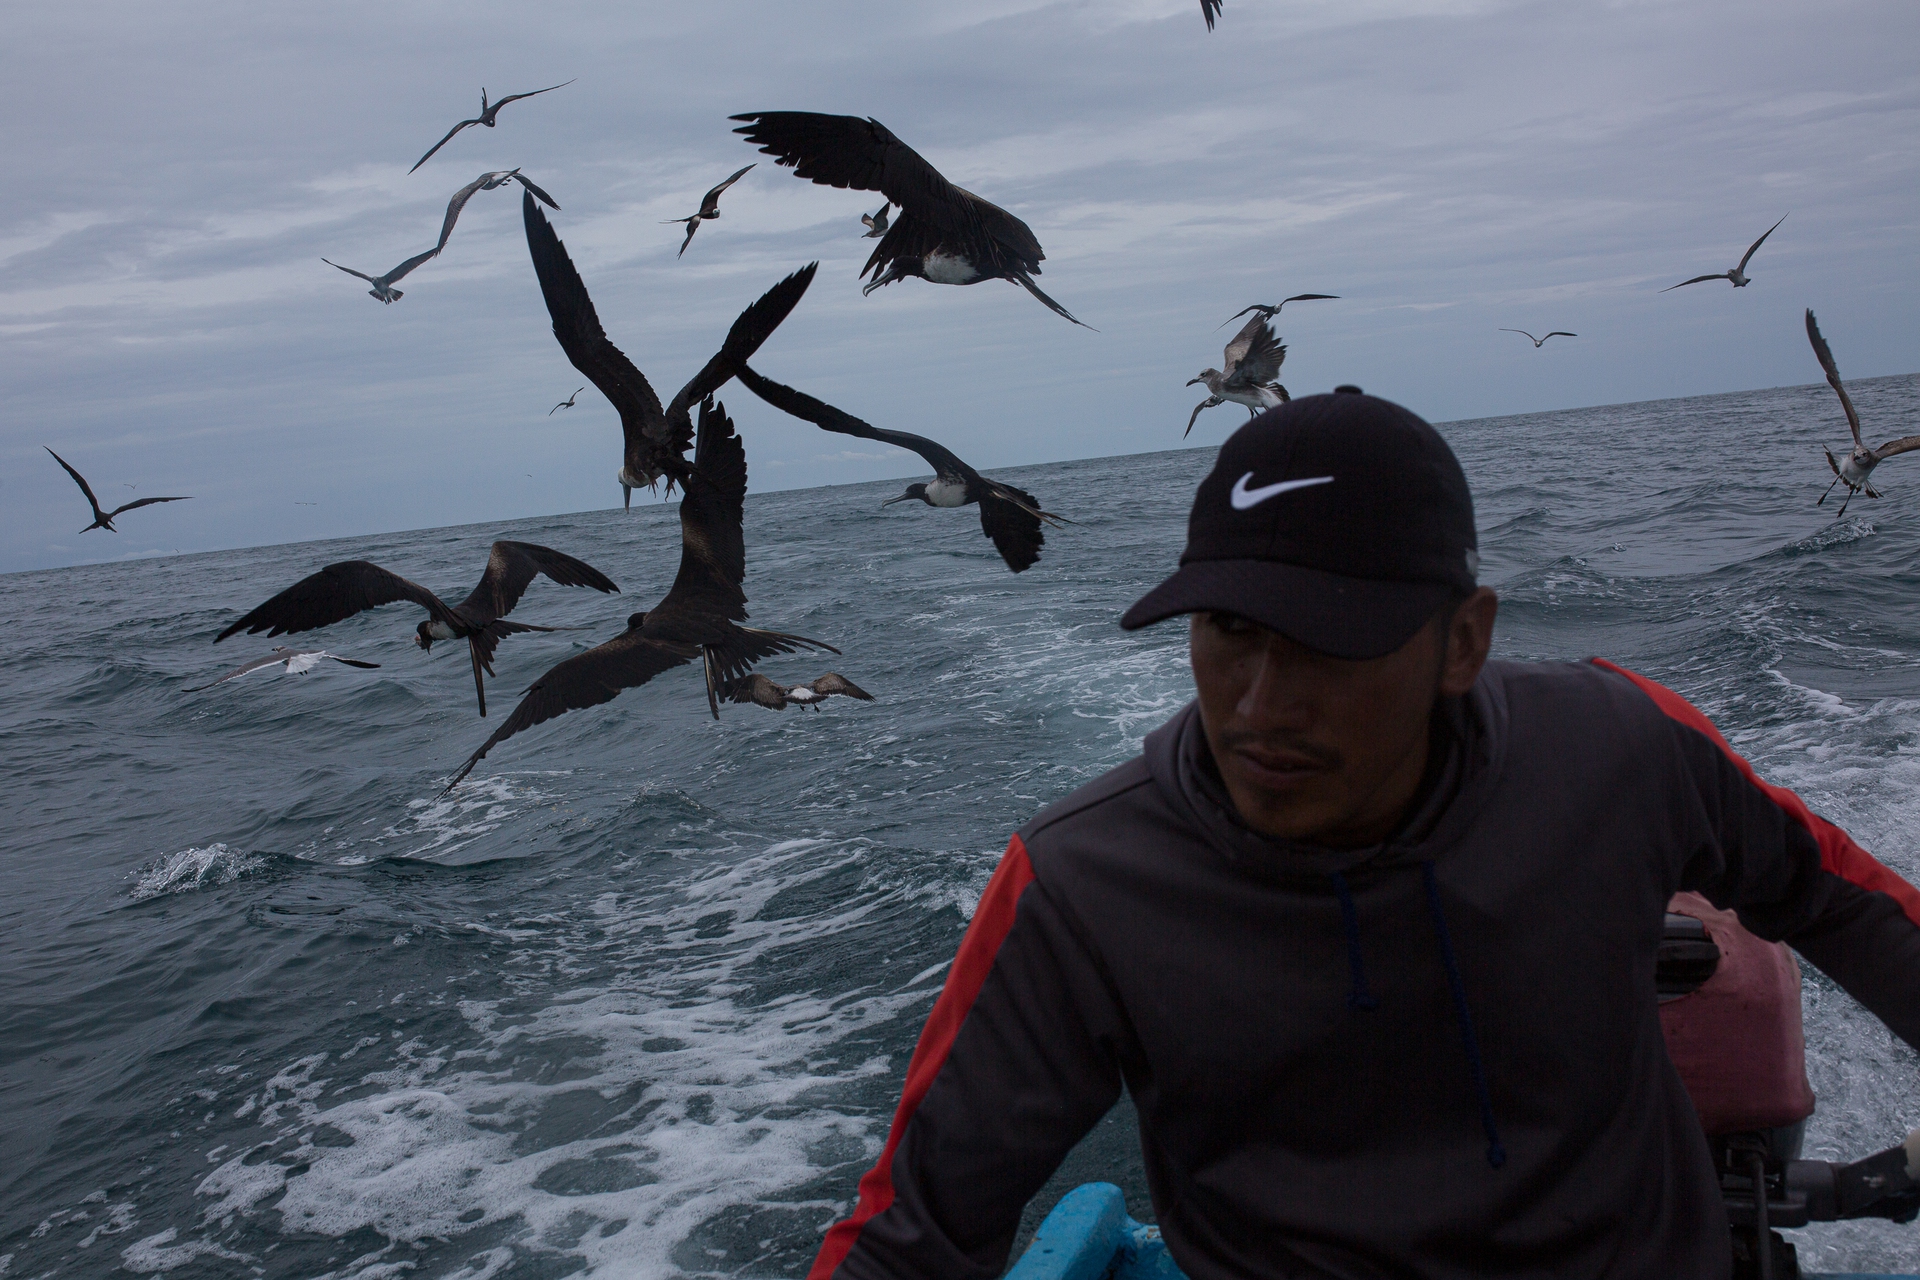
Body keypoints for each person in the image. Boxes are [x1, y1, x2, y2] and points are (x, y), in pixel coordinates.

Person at [807, 388, 1920, 1280]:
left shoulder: (1620, 746)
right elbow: (913, 1236)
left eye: (1330, 641)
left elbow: (1836, 896)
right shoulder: (1082, 881)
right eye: (1228, 627)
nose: (1258, 705)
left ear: (1464, 641)